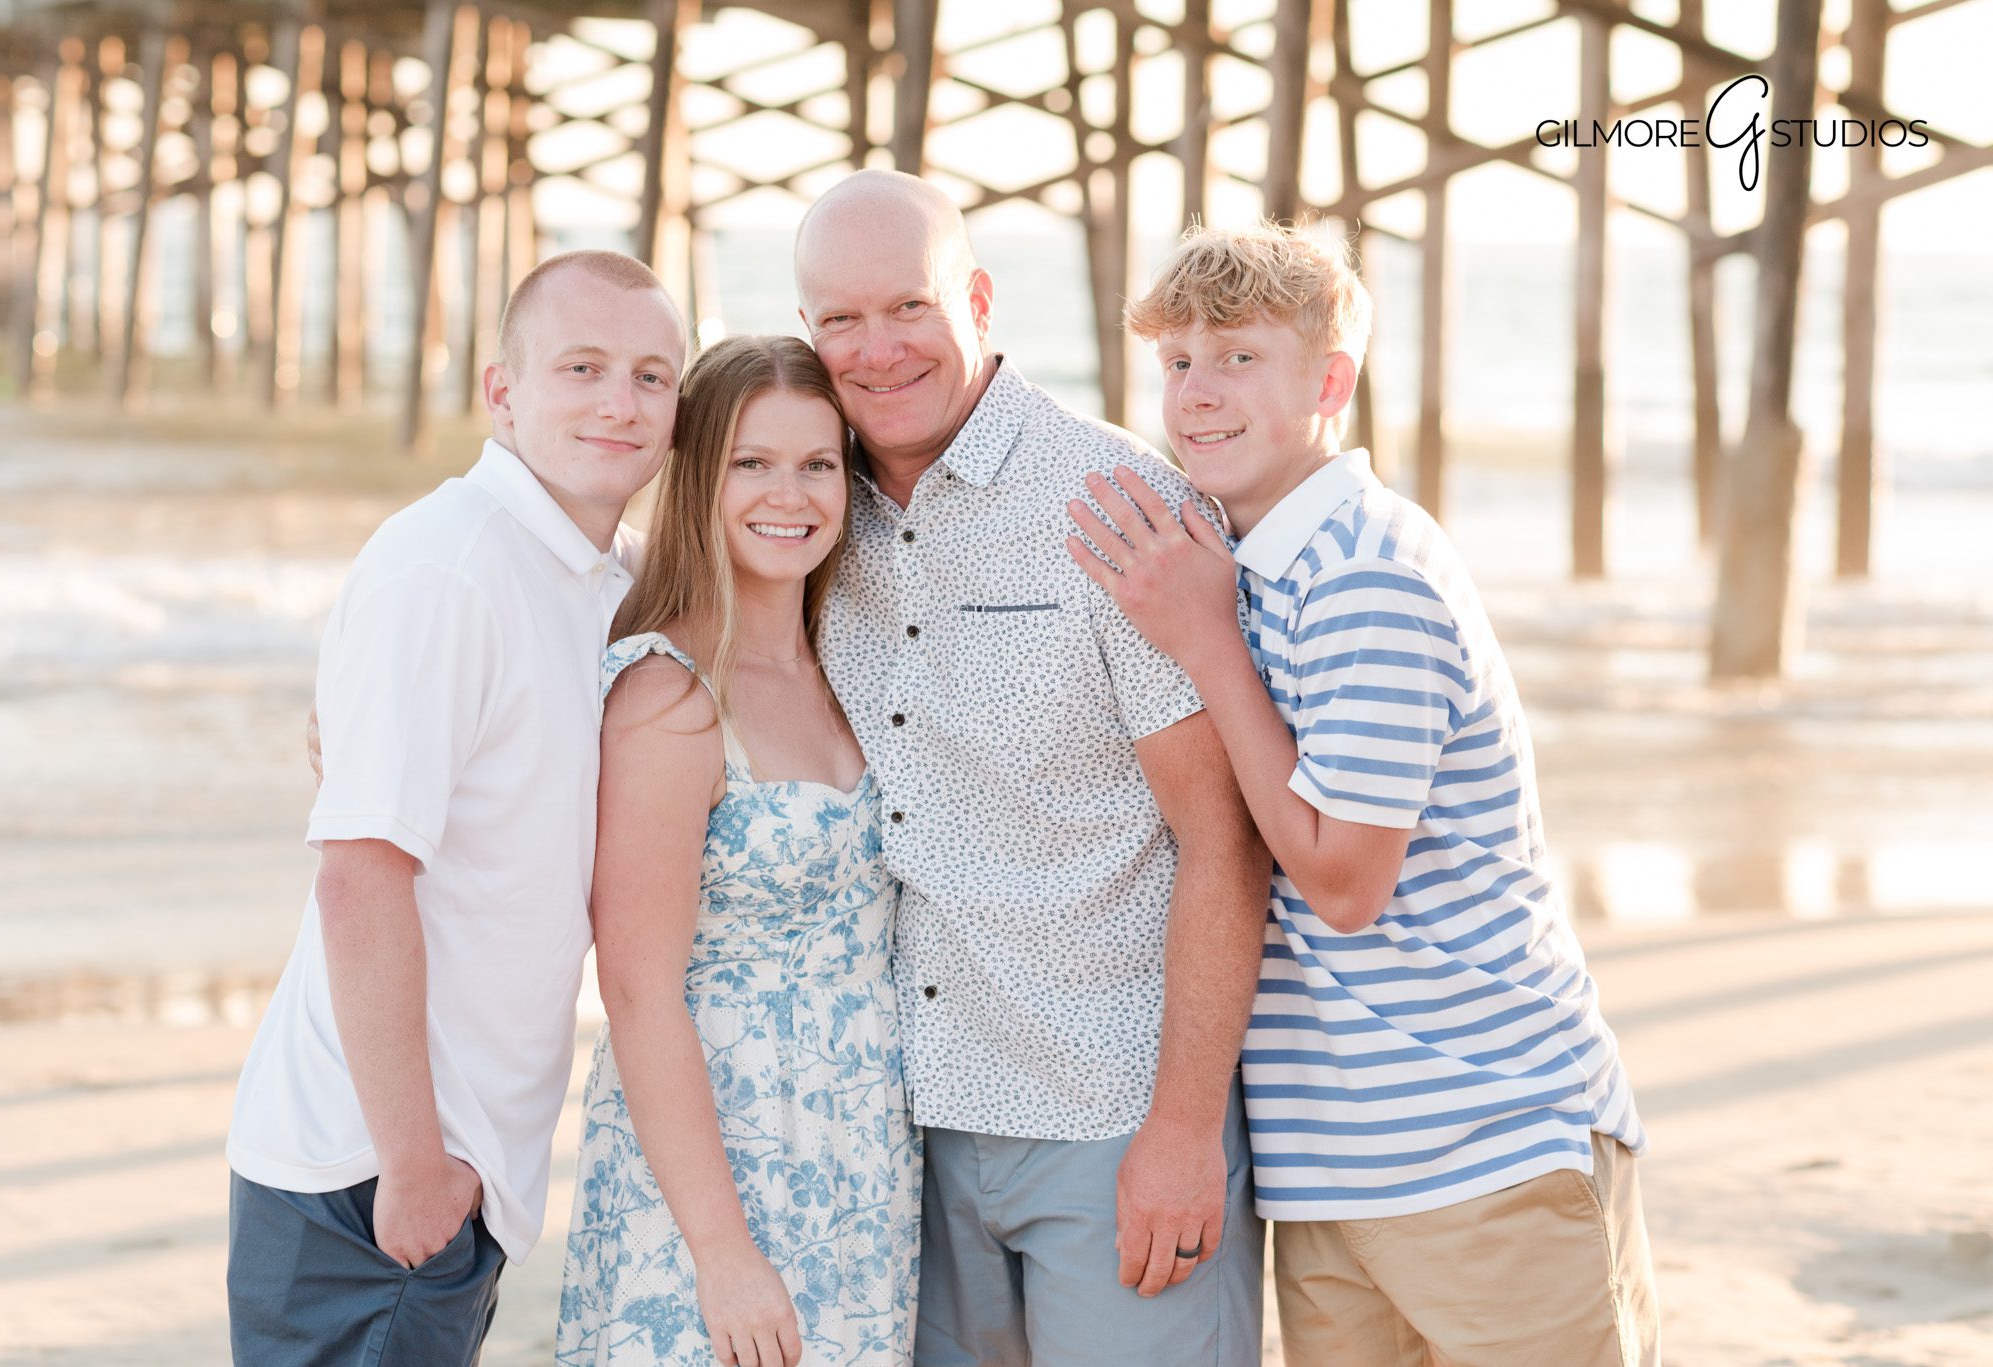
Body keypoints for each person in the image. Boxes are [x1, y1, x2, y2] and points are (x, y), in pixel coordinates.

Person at [1066, 221, 1659, 1366]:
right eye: (1177, 361)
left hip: (1483, 1144)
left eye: (1238, 357)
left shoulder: (1365, 572)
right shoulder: (1240, 562)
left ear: (1327, 381)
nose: (1197, 393)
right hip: (1330, 1167)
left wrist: (1202, 642)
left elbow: (1341, 881)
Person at [793, 170, 1272, 1365]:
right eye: (838, 320)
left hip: (1109, 1116)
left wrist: (1179, 1132)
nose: (875, 349)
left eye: (906, 306)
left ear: (977, 297)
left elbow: (1224, 842)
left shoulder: (1116, 503)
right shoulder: (804, 515)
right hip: (910, 1129)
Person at [225, 251, 687, 1366]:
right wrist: (414, 1160)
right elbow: (359, 878)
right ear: (502, 390)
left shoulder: (614, 580)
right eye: (580, 367)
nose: (617, 402)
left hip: (453, 1161)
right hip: (366, 1168)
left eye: (650, 375)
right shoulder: (449, 566)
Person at [556, 335, 919, 1367]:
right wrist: (722, 1253)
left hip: (857, 1163)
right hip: (722, 1171)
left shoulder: (849, 665)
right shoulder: (670, 692)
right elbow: (636, 988)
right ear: (697, 476)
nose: (788, 494)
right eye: (749, 463)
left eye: (815, 463)